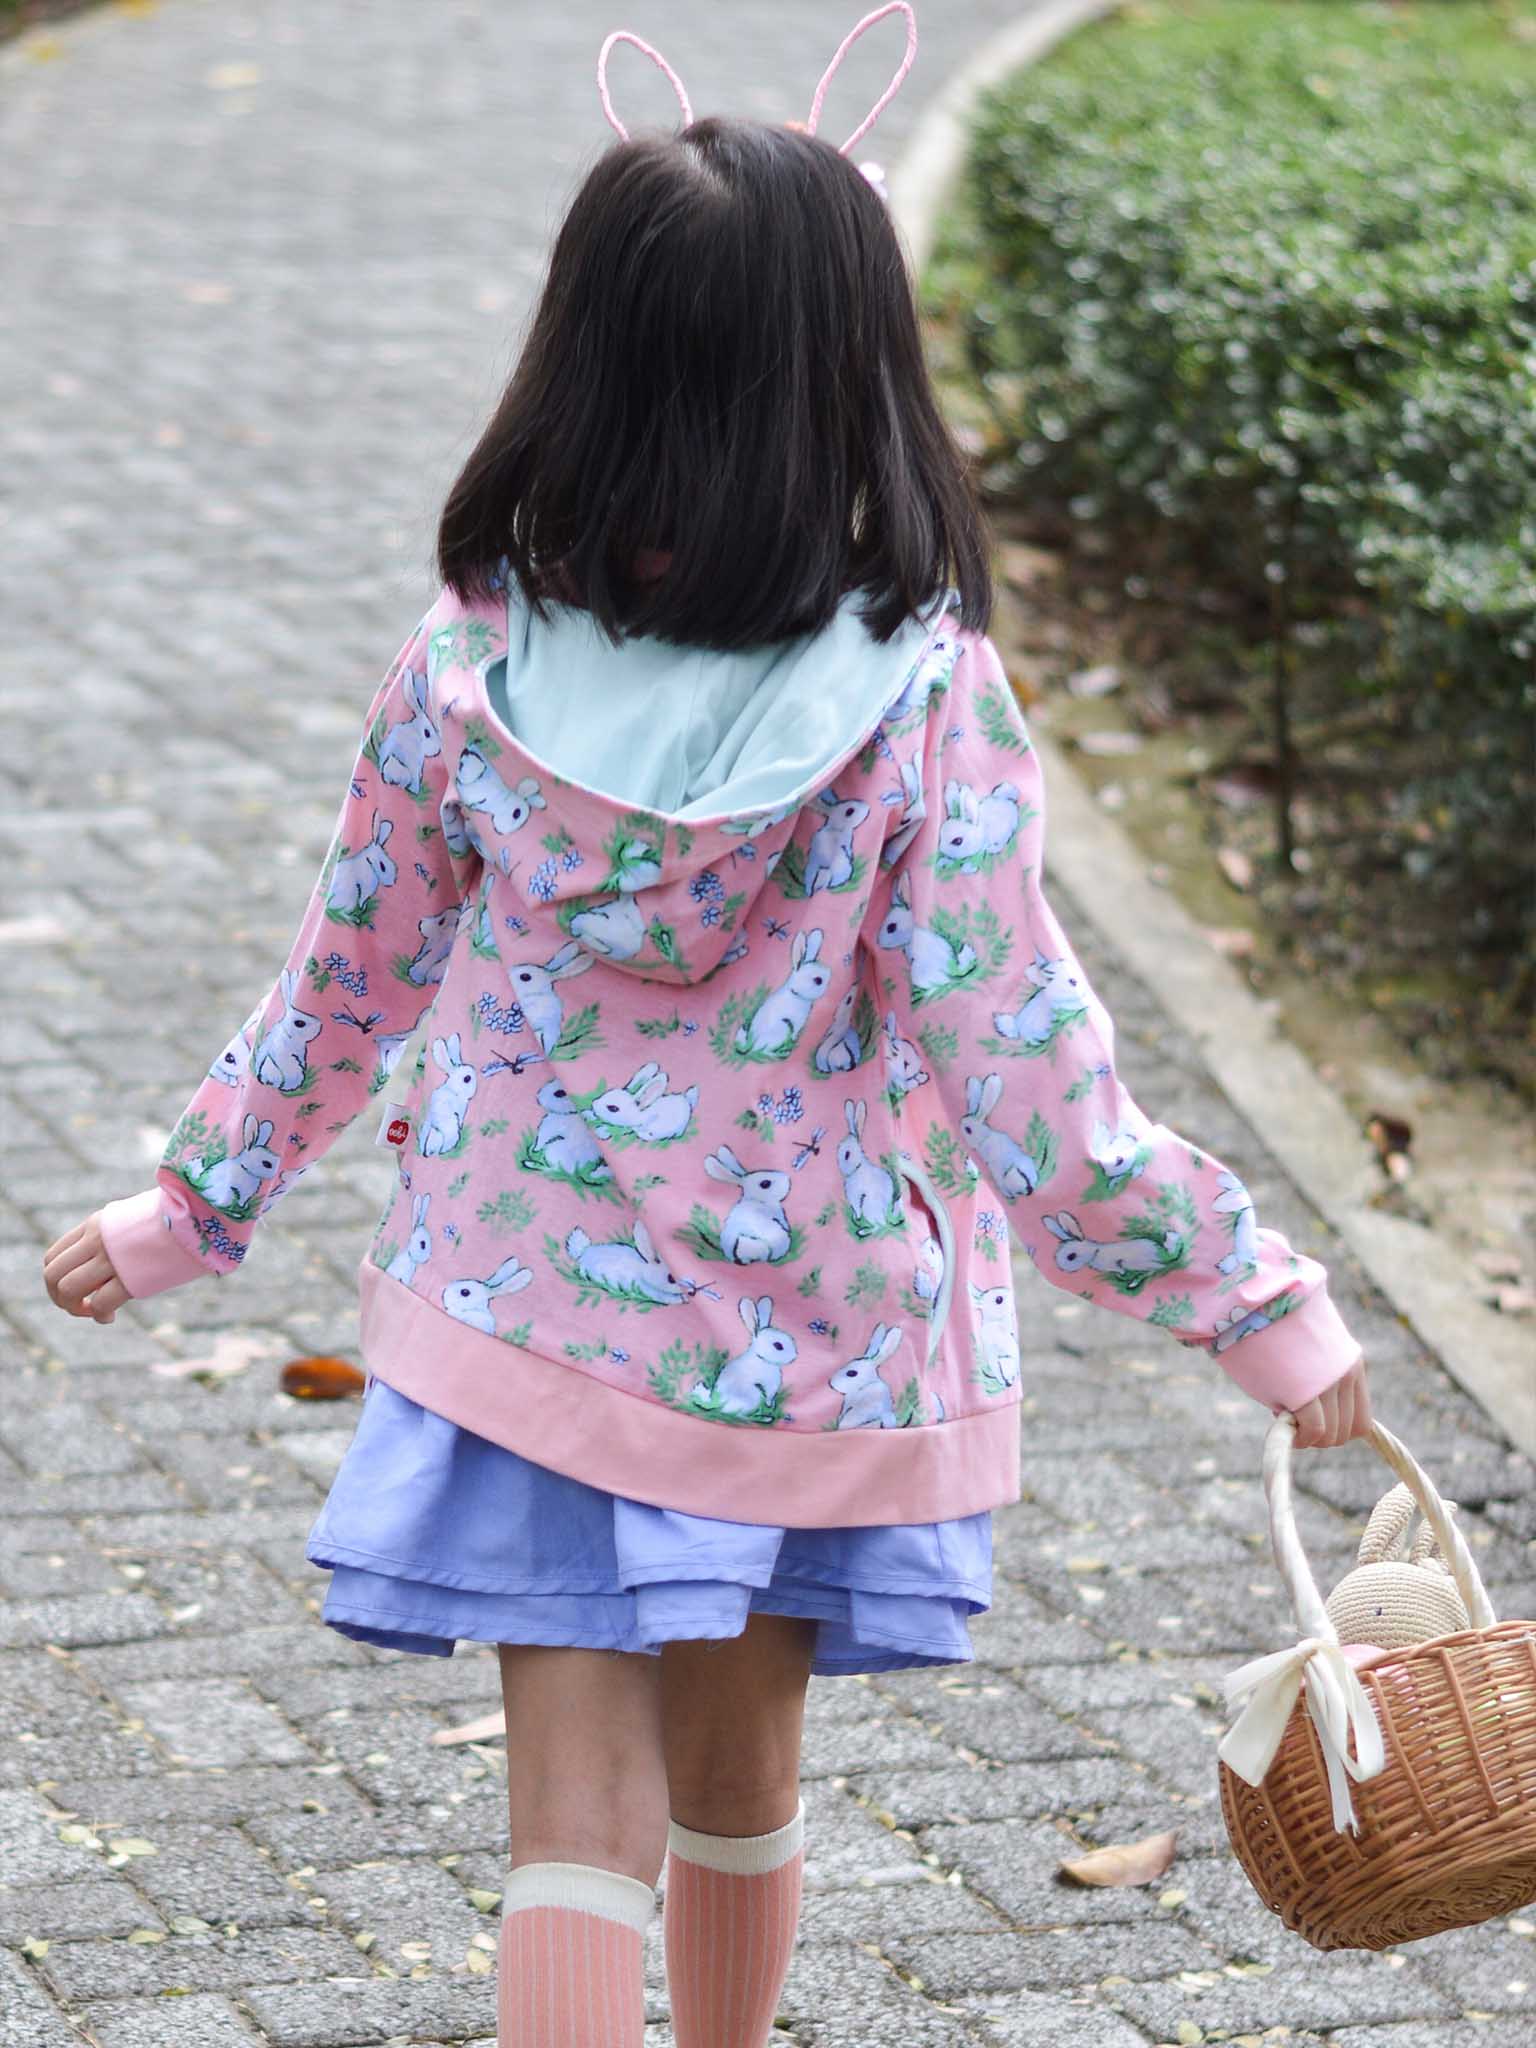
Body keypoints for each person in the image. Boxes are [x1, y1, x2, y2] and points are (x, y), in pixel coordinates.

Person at [42, 10, 1371, 2045]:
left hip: (525, 1319)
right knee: (745, 1792)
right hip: (805, 1339)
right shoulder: (921, 704)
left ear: (579, 364)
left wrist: (181, 1213)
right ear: (850, 383)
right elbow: (1034, 1082)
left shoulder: (469, 669)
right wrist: (1259, 1304)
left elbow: (348, 975)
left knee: (570, 1823)